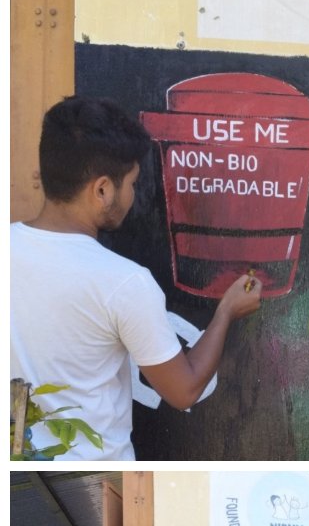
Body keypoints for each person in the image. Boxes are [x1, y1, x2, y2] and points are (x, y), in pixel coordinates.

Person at [10, 96, 263, 461]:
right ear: (102, 190)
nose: (133, 195)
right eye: (132, 183)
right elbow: (184, 390)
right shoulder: (123, 282)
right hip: (97, 479)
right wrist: (225, 313)